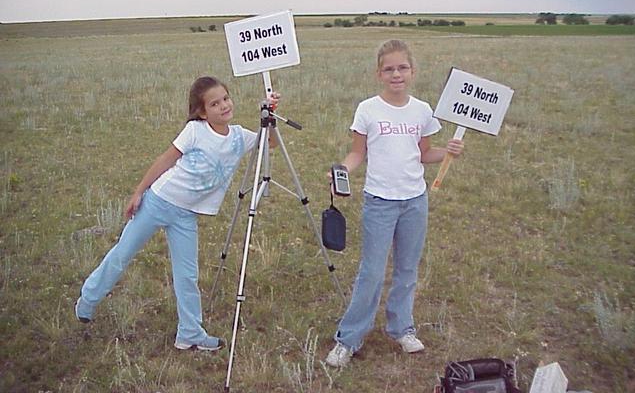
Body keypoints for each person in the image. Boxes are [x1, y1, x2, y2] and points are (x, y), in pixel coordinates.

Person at [75, 76, 279, 351]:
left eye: (226, 99)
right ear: (202, 112)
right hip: (158, 201)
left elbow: (270, 143)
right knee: (123, 253)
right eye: (214, 103)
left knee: (187, 275)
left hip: (186, 215)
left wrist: (270, 117)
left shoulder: (240, 137)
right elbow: (165, 160)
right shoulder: (195, 131)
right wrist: (138, 193)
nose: (223, 106)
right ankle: (87, 299)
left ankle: (190, 333)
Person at [325, 39, 464, 367]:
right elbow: (359, 152)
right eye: (389, 69)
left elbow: (425, 153)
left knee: (406, 269)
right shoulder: (367, 109)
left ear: (413, 72)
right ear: (379, 74)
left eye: (402, 68)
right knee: (371, 272)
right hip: (379, 203)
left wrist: (449, 152)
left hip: (415, 202)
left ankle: (401, 328)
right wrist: (342, 170)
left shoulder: (422, 110)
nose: (396, 74)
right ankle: (349, 338)